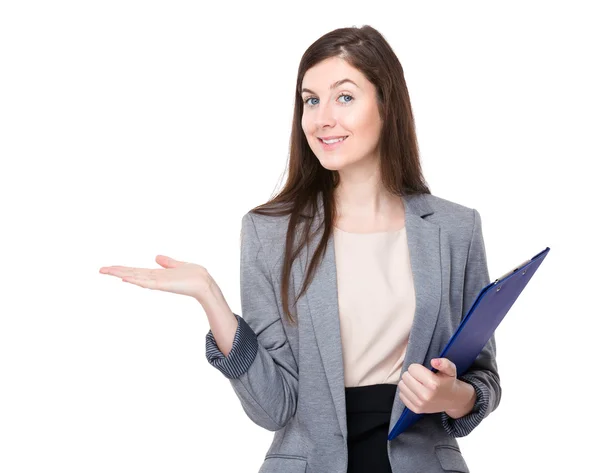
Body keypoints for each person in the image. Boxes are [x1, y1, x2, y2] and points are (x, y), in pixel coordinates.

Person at [99, 25, 501, 473]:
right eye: (311, 99)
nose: (321, 118)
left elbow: (482, 377)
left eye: (344, 97)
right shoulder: (270, 232)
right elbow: (273, 408)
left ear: (387, 105)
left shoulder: (455, 228)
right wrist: (211, 299)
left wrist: (452, 396)